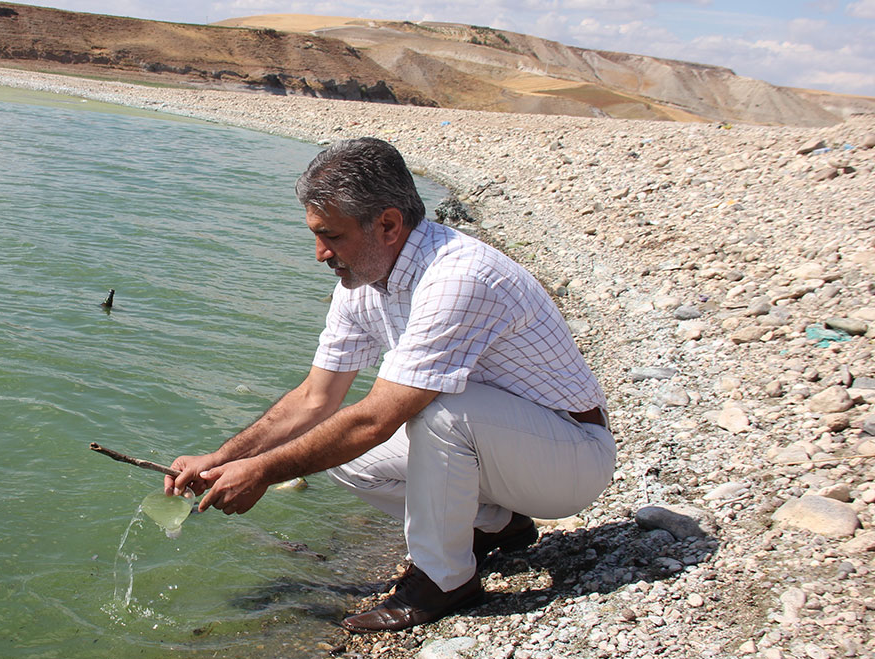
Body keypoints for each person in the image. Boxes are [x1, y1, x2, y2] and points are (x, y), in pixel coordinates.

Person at [166, 137, 616, 633]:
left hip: (571, 460)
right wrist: (223, 458)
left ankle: (445, 580)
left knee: (437, 413)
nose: (319, 254)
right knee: (339, 452)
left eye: (331, 236)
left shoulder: (458, 278)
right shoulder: (363, 282)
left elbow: (377, 418)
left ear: (387, 225)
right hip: (508, 450)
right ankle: (496, 525)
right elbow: (315, 399)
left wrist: (262, 473)